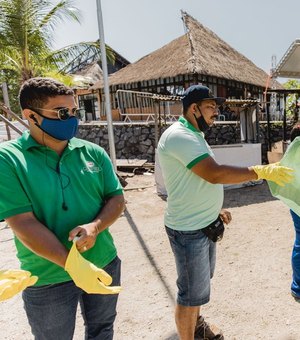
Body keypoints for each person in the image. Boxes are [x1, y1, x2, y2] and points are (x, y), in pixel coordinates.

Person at [157, 84, 294, 340]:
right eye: (211, 107)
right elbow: (214, 173)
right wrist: (260, 171)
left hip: (204, 223)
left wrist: (214, 209)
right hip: (188, 229)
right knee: (189, 293)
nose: (216, 113)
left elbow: (194, 179)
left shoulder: (195, 135)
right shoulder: (179, 135)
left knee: (198, 286)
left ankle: (196, 326)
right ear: (193, 108)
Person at [0, 77, 125, 339]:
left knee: (102, 331)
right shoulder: (8, 159)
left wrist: (95, 227)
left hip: (103, 262)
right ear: (31, 116)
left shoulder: (92, 152)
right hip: (47, 276)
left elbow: (116, 198)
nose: (71, 118)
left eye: (73, 111)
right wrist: (73, 265)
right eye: (61, 112)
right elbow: (22, 222)